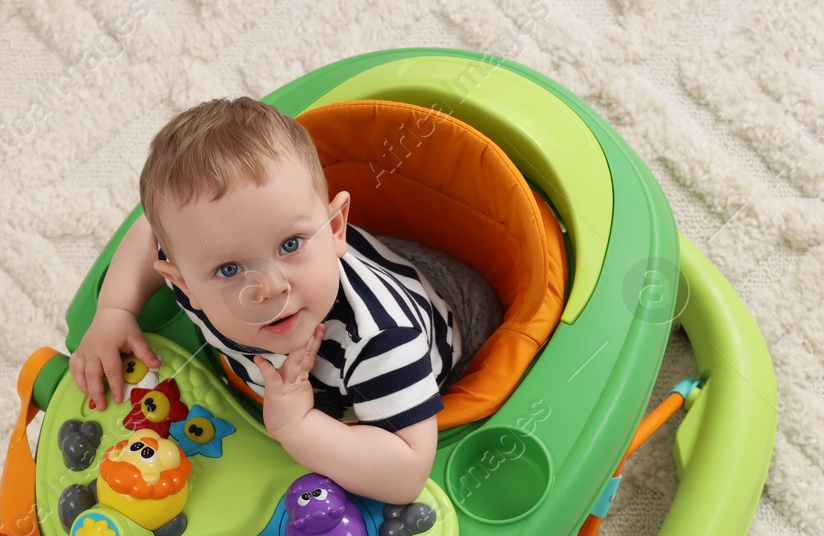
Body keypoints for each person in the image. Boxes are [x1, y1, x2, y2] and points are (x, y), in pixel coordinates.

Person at [70, 96, 503, 505]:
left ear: (336, 229)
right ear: (183, 284)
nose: (270, 287)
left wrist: (298, 426)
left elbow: (407, 470)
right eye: (229, 269)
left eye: (290, 244)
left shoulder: (381, 340)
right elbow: (150, 231)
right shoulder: (197, 250)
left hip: (456, 313)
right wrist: (115, 310)